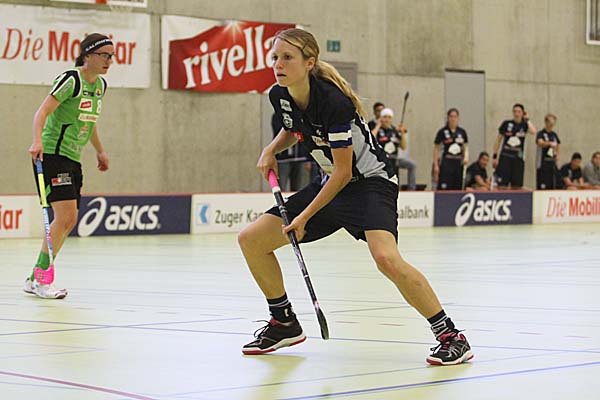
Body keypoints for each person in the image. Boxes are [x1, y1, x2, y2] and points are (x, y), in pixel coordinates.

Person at [237, 28, 472, 365]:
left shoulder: (334, 101)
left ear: (309, 62)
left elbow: (344, 172)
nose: (278, 64)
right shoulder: (280, 95)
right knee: (251, 240)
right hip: (328, 182)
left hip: (369, 184)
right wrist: (271, 149)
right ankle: (284, 322)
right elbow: (294, 128)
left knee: (386, 258)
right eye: (275, 57)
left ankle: (451, 336)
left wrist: (303, 218)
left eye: (287, 57)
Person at [25, 33, 113, 299]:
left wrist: (99, 151)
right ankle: (42, 280)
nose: (109, 61)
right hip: (52, 154)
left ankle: (34, 278)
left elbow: (90, 120)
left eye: (111, 56)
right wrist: (37, 140)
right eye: (104, 55)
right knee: (63, 218)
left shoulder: (100, 86)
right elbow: (42, 111)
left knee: (70, 220)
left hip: (73, 158)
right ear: (88, 55)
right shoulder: (71, 80)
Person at [492, 103, 537, 189]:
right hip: (505, 157)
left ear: (523, 113)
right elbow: (498, 140)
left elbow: (534, 131)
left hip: (518, 159)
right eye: (515, 111)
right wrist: (495, 156)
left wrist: (527, 119)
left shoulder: (525, 125)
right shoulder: (506, 123)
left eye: (519, 112)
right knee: (502, 184)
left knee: (517, 185)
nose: (516, 114)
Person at [433, 108, 469, 190]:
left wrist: (466, 157)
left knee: (457, 187)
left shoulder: (462, 132)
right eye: (451, 116)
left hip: (458, 163)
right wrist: (436, 165)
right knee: (445, 187)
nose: (453, 119)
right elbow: (436, 149)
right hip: (447, 162)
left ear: (458, 118)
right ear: (448, 118)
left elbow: (465, 147)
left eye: (455, 117)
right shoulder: (442, 132)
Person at [536, 114, 561, 190]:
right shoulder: (541, 133)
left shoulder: (554, 135)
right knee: (543, 186)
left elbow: (558, 145)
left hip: (552, 164)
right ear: (546, 122)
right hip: (543, 164)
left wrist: (557, 155)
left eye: (553, 122)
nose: (551, 124)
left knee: (552, 185)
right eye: (550, 122)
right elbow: (540, 143)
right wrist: (549, 143)